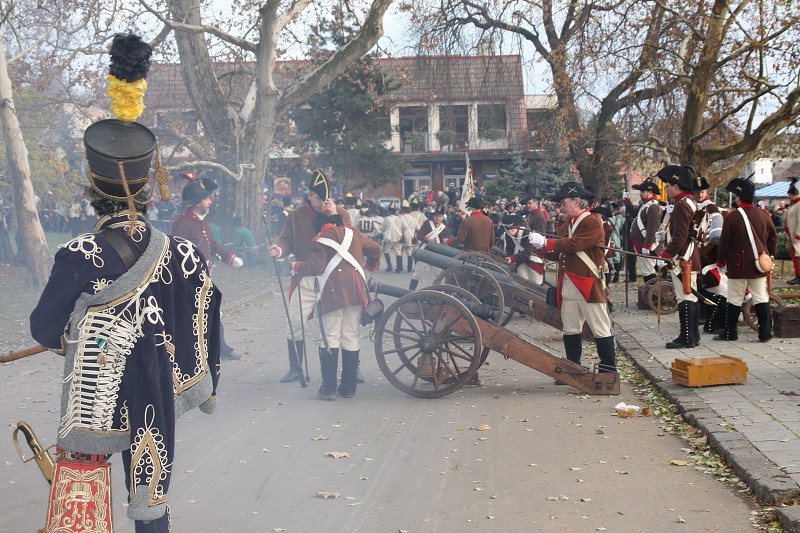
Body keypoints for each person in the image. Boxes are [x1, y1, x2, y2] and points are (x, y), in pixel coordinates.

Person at [29, 34, 220, 532]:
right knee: (151, 498)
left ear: (93, 191)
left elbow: (44, 329)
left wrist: (69, 333)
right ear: (149, 188)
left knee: (84, 496)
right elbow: (203, 308)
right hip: (156, 387)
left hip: (96, 393)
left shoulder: (78, 255)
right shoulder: (184, 253)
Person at [267, 170, 351, 383]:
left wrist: (335, 217)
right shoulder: (295, 216)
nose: (320, 203)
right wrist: (280, 250)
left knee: (340, 326)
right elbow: (286, 240)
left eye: (324, 199)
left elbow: (350, 238)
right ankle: (295, 367)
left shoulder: (341, 214)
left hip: (333, 277)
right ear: (310, 196)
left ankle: (351, 368)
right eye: (316, 198)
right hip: (305, 275)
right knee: (295, 321)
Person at [526, 182, 616, 378]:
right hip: (569, 284)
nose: (561, 207)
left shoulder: (591, 221)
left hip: (588, 283)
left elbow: (575, 244)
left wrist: (547, 242)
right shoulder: (569, 225)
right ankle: (574, 367)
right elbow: (560, 253)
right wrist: (540, 247)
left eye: (564, 202)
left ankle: (609, 369)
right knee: (570, 328)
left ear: (577, 201)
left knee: (600, 326)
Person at [293, 202, 381, 399]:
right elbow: (375, 249)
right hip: (357, 290)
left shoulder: (321, 237)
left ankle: (329, 387)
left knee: (330, 336)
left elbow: (316, 267)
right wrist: (370, 266)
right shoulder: (354, 233)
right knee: (350, 334)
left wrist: (298, 266)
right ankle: (349, 388)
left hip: (333, 291)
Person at [172, 178, 243, 360]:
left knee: (212, 312)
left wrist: (229, 257)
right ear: (197, 203)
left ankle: (219, 349)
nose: (210, 201)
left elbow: (211, 244)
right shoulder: (182, 223)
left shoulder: (203, 221)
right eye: (207, 199)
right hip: (190, 280)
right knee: (194, 318)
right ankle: (195, 354)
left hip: (204, 276)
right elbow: (178, 254)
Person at [715, 177, 778, 342]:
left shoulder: (732, 217)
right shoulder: (764, 215)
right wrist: (770, 256)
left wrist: (721, 262)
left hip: (738, 265)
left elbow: (724, 243)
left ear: (739, 197)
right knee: (761, 297)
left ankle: (730, 333)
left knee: (734, 298)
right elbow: (773, 238)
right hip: (759, 265)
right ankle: (765, 333)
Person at [656, 164, 702, 349]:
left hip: (683, 258)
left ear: (676, 185)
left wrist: (666, 255)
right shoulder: (688, 202)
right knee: (690, 296)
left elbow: (680, 236)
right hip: (688, 257)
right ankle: (694, 336)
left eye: (668, 186)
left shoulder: (682, 205)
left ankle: (687, 338)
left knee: (685, 297)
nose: (666, 189)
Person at [629, 180, 663, 283]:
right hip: (640, 243)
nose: (641, 193)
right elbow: (634, 214)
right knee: (646, 271)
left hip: (645, 244)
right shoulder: (646, 204)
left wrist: (647, 246)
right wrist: (628, 201)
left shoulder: (652, 206)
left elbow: (652, 228)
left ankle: (653, 296)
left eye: (643, 191)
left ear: (650, 192)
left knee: (648, 271)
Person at [409, 205, 451, 289]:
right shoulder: (427, 223)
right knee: (417, 275)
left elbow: (446, 241)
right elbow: (420, 236)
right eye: (436, 216)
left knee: (437, 277)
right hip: (424, 252)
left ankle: (436, 295)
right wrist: (428, 240)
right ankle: (410, 293)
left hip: (436, 254)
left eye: (440, 216)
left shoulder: (444, 228)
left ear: (443, 217)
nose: (437, 218)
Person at [382, 201, 404, 273]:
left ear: (389, 211)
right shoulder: (400, 218)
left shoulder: (386, 219)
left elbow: (383, 229)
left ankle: (389, 266)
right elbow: (403, 228)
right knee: (398, 252)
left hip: (389, 237)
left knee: (386, 251)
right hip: (398, 237)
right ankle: (399, 268)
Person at [400, 199, 420, 272]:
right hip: (411, 237)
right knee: (409, 253)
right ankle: (409, 268)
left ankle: (400, 268)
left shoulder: (400, 218)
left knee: (399, 252)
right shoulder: (413, 219)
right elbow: (418, 228)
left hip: (401, 237)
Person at [786, 178, 800, 285]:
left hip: (797, 236)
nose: (789, 196)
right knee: (795, 257)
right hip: (793, 235)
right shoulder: (794, 204)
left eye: (791, 194)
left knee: (798, 257)